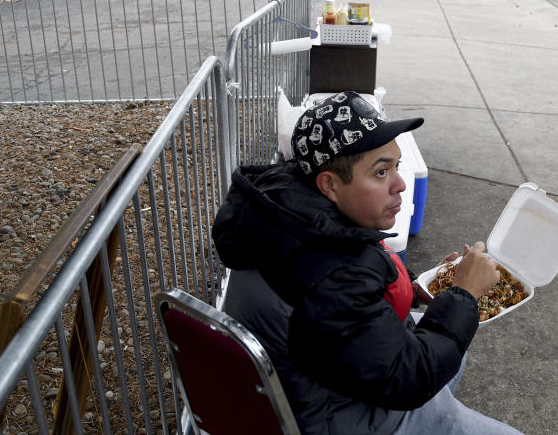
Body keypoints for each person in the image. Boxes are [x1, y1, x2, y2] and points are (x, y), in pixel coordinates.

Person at [213, 91, 523, 435]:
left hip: (318, 382)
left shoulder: (283, 216)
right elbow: (408, 379)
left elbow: (349, 309)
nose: (401, 185)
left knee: (453, 353)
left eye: (396, 166)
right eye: (380, 172)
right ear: (328, 184)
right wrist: (464, 294)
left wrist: (420, 290)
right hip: (336, 418)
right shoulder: (330, 273)